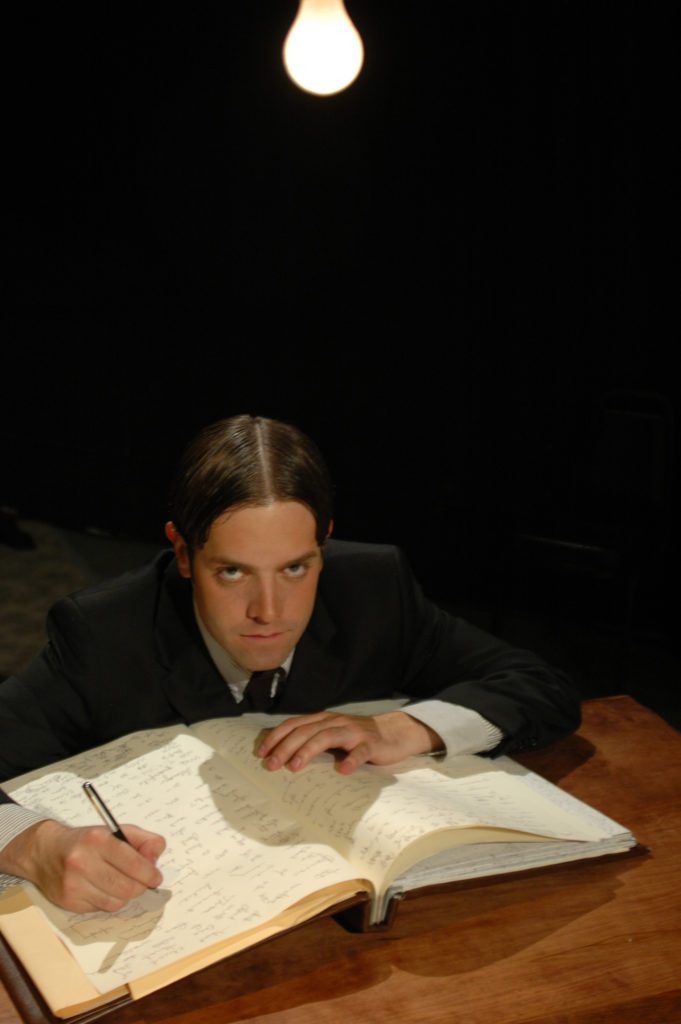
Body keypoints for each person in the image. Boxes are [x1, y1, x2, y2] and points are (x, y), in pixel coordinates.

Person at [0, 414, 580, 913]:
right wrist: (34, 844)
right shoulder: (103, 634)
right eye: (232, 572)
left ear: (324, 542)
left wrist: (403, 728)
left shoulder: (374, 588)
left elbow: (540, 686)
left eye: (296, 568)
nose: (269, 612)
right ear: (182, 551)